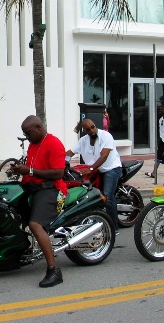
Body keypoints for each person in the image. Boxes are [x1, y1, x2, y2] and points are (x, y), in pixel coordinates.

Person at [11, 115, 67, 288]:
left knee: (35, 225)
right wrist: (20, 171)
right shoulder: (33, 144)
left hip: (52, 189)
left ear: (38, 128)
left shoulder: (54, 143)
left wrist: (30, 170)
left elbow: (58, 173)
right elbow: (32, 169)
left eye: (28, 133)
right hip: (34, 187)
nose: (27, 137)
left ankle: (53, 270)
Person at [66, 118, 122, 234]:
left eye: (93, 127)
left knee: (107, 196)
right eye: (88, 129)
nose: (92, 130)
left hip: (110, 169)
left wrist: (91, 168)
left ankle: (113, 227)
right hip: (95, 170)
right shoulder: (83, 141)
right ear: (84, 130)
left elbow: (104, 156)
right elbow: (70, 152)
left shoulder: (106, 136)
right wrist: (64, 161)